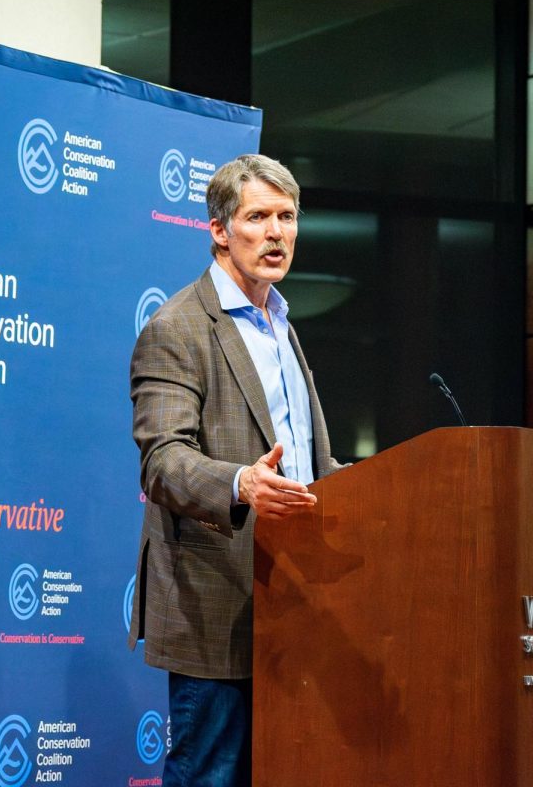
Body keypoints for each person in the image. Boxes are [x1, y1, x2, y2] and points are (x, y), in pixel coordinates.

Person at [127, 153, 342, 786]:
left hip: (296, 601)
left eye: (288, 217)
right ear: (220, 230)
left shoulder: (283, 326)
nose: (277, 233)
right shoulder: (178, 328)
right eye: (259, 217)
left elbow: (311, 460)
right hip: (216, 605)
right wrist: (240, 483)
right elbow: (162, 461)